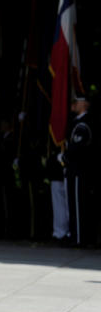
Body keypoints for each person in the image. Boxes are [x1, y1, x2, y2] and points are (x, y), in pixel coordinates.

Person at [65, 96, 93, 247]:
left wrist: (65, 156)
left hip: (79, 170)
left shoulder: (84, 123)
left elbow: (77, 147)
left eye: (78, 101)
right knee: (74, 205)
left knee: (78, 205)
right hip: (75, 169)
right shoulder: (77, 122)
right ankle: (76, 236)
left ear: (85, 104)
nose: (74, 103)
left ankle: (79, 239)